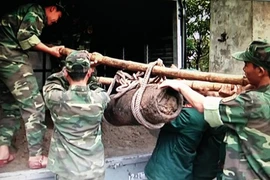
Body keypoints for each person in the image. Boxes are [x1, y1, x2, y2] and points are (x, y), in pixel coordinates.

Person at [158, 40, 270, 180]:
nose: (243, 70)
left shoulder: (252, 101)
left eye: (246, 65)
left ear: (260, 71)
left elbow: (203, 105)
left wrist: (180, 86)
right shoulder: (254, 98)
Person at [0, 1, 67, 168]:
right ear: (52, 8)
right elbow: (26, 37)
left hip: (3, 60)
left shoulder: (22, 11)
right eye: (56, 18)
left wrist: (49, 47)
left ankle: (2, 152)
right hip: (11, 59)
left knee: (9, 106)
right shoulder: (36, 11)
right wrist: (51, 51)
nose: (53, 22)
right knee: (35, 106)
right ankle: (36, 158)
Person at [43, 50, 110, 180]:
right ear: (89, 73)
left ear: (66, 73)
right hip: (95, 171)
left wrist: (69, 68)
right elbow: (94, 84)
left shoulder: (55, 98)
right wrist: (90, 68)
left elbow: (52, 81)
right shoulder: (101, 98)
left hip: (68, 173)